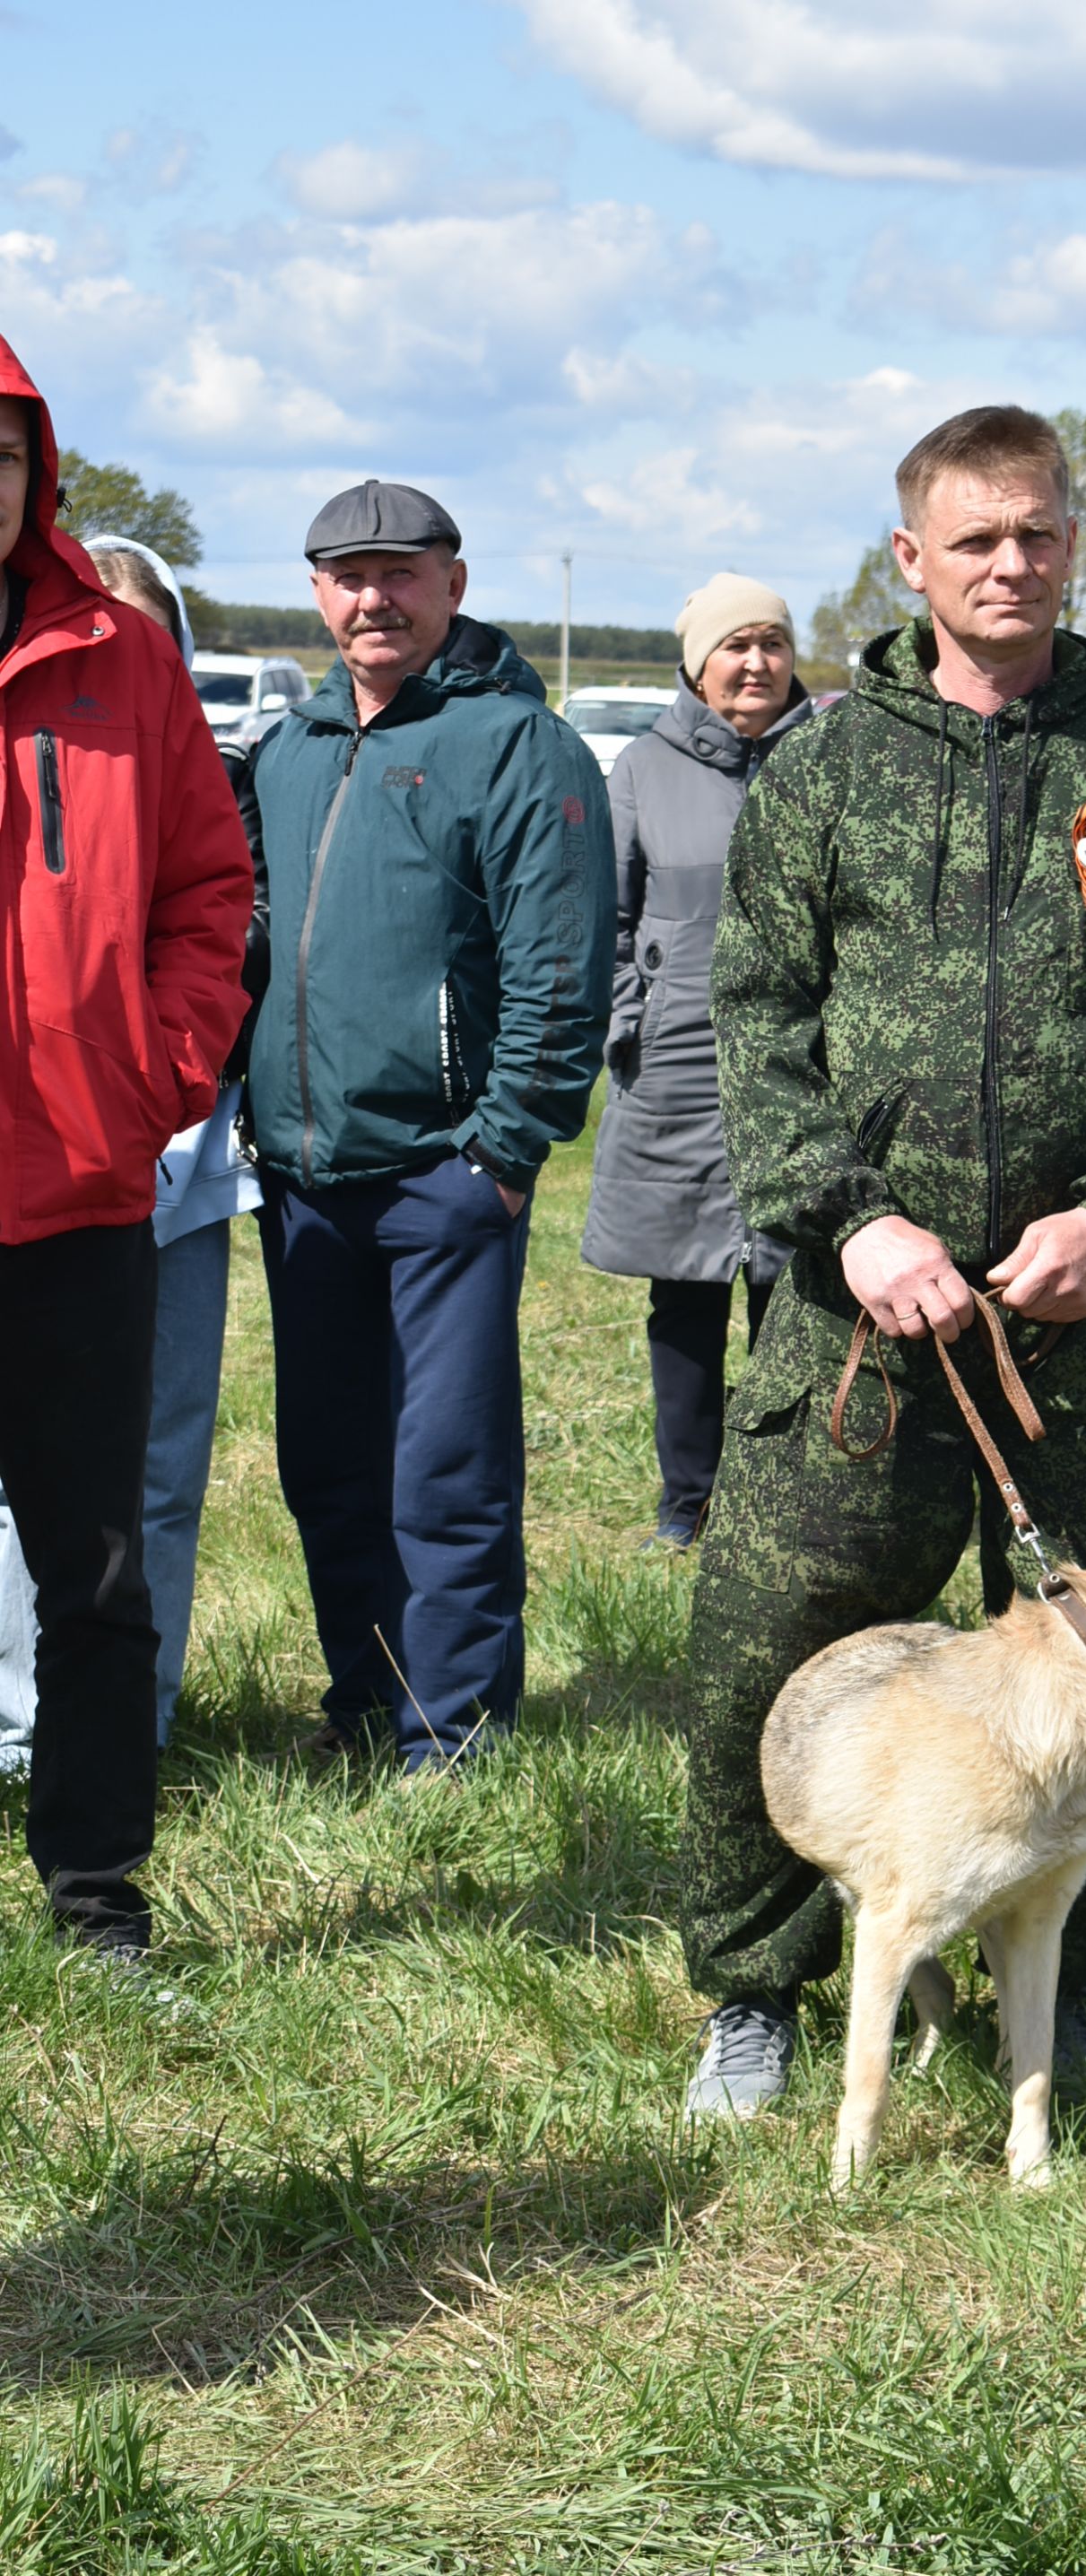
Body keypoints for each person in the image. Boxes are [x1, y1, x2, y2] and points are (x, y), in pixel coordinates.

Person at [679, 404, 1086, 2118]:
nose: (1014, 562)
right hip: (854, 1322)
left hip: (1079, 1324)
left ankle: (1056, 1994)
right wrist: (853, 1217)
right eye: (979, 537)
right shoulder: (825, 771)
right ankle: (757, 1990)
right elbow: (759, 1023)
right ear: (913, 558)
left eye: (1041, 533)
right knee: (776, 1640)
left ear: (1074, 546)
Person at [247, 481, 614, 1771]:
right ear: (315, 593)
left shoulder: (520, 747)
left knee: (443, 1472)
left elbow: (559, 969)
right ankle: (365, 1701)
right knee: (328, 1466)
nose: (372, 598)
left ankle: (451, 1733)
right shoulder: (287, 755)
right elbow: (252, 944)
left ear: (453, 583)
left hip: (444, 1176)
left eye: (399, 572)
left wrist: (504, 1152)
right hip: (299, 1175)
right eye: (346, 575)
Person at [0, 336, 252, 1959]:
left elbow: (208, 896)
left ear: (37, 477)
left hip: (76, 1193)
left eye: (3, 456)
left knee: (93, 1566)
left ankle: (96, 1892)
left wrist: (148, 1080)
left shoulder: (123, 662)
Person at [581, 576, 812, 1546]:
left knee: (793, 1294)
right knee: (683, 1295)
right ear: (696, 662)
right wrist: (637, 1016)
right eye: (735, 646)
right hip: (677, 1070)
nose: (754, 663)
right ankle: (690, 1503)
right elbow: (607, 915)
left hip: (806, 1070)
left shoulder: (828, 759)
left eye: (771, 644)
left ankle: (780, 1503)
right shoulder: (640, 768)